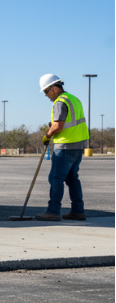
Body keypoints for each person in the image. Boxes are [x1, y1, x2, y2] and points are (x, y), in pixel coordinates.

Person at [35, 74, 88, 222]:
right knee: (72, 178)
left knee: (55, 178)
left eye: (46, 91)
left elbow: (58, 126)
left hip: (65, 146)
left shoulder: (60, 101)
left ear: (53, 88)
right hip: (78, 146)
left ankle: (53, 211)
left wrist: (47, 135)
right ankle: (78, 211)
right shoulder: (74, 99)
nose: (46, 95)